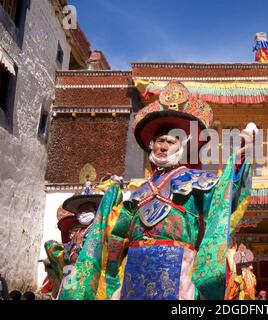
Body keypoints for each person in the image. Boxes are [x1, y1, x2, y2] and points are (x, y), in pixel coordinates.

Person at [58, 81, 254, 300]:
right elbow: (118, 232)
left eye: (169, 142)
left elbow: (224, 200)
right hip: (134, 269)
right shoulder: (139, 191)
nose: (162, 146)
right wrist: (111, 269)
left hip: (179, 269)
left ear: (184, 146)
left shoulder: (200, 182)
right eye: (159, 141)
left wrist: (239, 158)